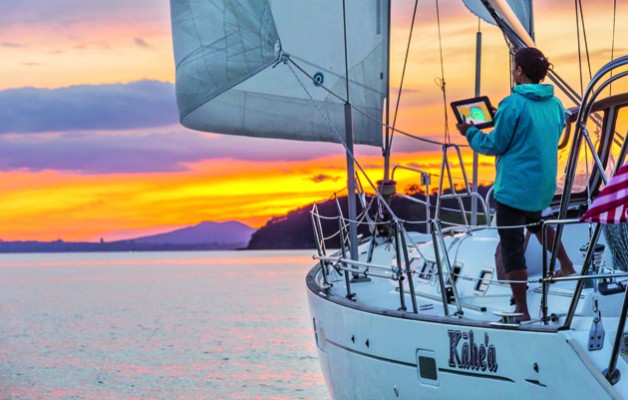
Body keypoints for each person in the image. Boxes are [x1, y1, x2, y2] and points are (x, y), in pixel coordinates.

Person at [456, 47, 576, 321]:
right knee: (537, 223)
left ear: (519, 71)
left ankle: (522, 309)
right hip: (541, 186)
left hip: (514, 189)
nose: (513, 69)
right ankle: (567, 265)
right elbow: (543, 131)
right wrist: (501, 116)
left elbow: (493, 144)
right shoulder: (556, 105)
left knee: (511, 245)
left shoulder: (512, 105)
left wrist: (470, 131)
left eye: (514, 66)